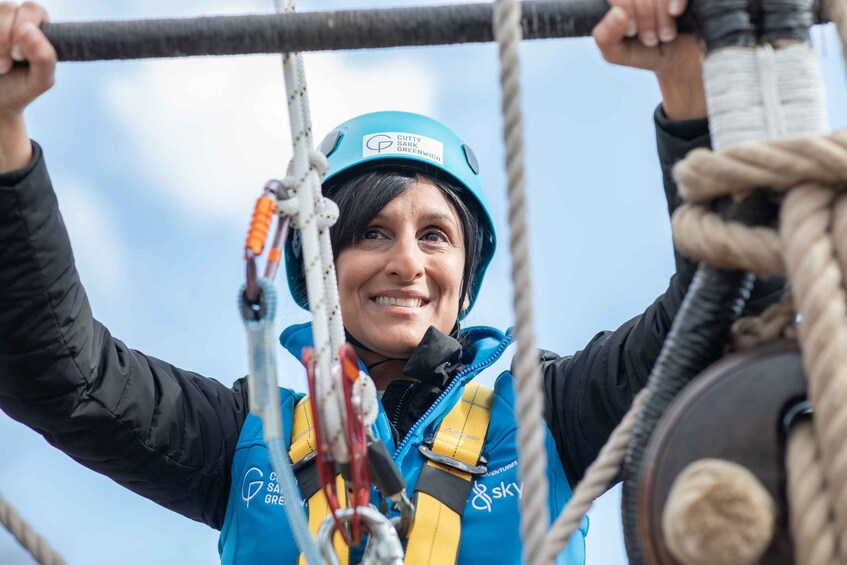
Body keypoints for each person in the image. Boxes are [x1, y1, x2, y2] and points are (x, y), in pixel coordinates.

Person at [0, 1, 784, 564]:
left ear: (463, 274)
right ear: (322, 267)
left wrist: (687, 94)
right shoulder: (248, 435)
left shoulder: (553, 409)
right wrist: (4, 132)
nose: (407, 261)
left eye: (433, 235)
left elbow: (727, 313)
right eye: (372, 232)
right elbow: (59, 371)